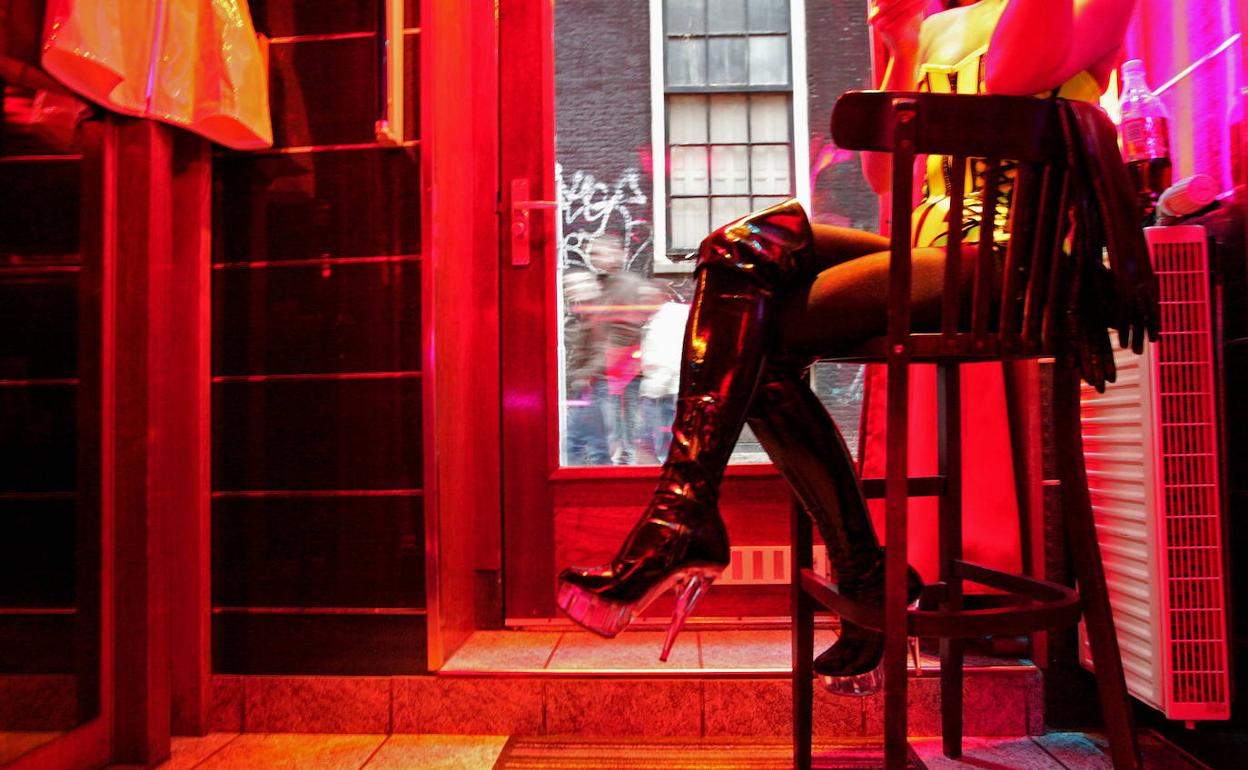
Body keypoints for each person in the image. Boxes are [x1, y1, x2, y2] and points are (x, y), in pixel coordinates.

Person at [557, 0, 1154, 691]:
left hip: (1015, 264)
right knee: (737, 251)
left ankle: (791, 552)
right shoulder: (939, 28)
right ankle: (698, 519)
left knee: (752, 346)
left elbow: (1014, 74)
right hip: (933, 252)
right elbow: (887, 179)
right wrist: (901, 44)